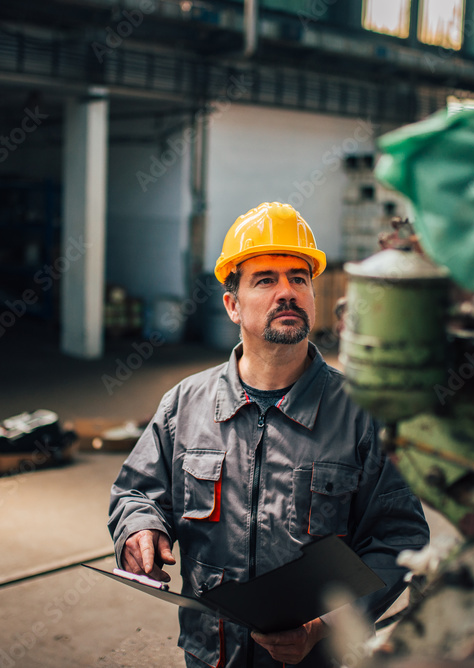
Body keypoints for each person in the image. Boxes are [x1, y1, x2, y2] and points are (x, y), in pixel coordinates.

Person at [108, 202, 429, 667]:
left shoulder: (362, 414)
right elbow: (136, 493)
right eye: (265, 280)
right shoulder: (185, 405)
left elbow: (399, 540)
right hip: (212, 657)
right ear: (232, 305)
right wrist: (140, 526)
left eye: (299, 278)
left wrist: (324, 626)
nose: (287, 292)